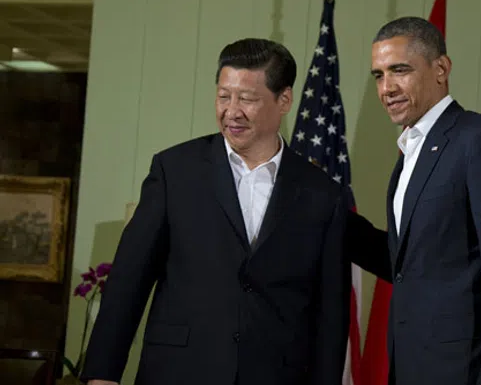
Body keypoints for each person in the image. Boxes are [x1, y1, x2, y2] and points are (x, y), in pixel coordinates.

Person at [80, 38, 352, 385]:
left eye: (247, 99)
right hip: (177, 372)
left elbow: (331, 313)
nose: (232, 111)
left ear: (284, 100)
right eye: (224, 96)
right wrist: (102, 375)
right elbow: (128, 280)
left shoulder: (322, 193)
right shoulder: (174, 171)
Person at [366, 16, 481, 385]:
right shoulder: (412, 151)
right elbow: (412, 263)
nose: (387, 88)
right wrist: (331, 215)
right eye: (379, 76)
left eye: (399, 70)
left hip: (466, 372)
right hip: (413, 368)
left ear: (441, 69)